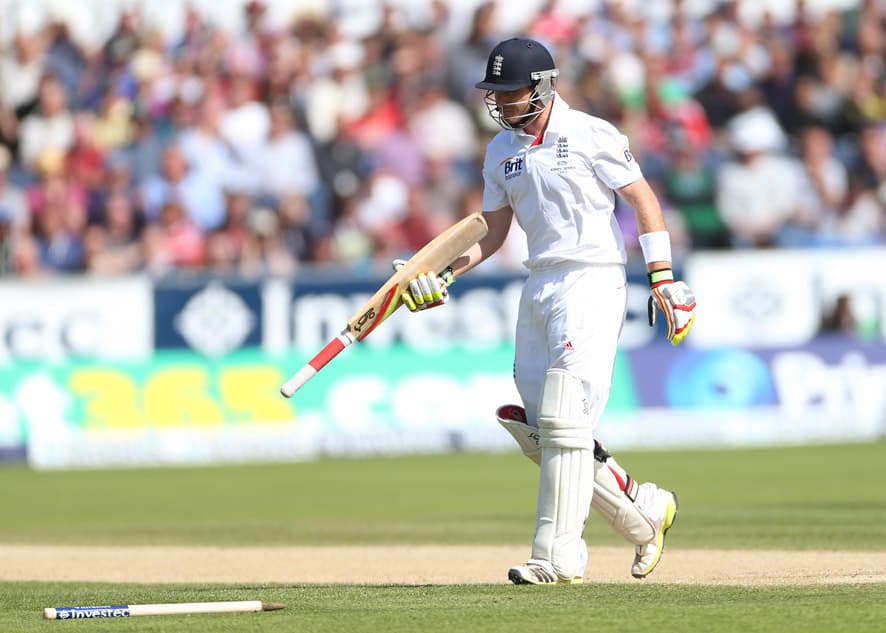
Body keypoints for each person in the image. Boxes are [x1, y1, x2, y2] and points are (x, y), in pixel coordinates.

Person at [396, 38, 696, 585]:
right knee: (547, 431)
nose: (501, 104)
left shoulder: (590, 133)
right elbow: (489, 234)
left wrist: (663, 278)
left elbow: (643, 200)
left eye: (510, 93)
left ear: (542, 87)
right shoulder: (499, 152)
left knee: (562, 414)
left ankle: (556, 557)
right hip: (540, 283)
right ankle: (645, 512)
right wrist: (440, 274)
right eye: (495, 94)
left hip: (593, 276)